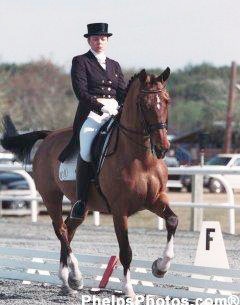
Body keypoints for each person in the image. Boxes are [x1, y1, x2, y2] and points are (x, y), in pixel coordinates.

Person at [69, 23, 126, 220]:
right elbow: (81, 92)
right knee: (85, 148)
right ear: (89, 41)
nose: (99, 42)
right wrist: (101, 106)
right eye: (95, 39)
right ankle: (81, 200)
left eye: (102, 39)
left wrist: (122, 106)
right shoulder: (80, 61)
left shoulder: (114, 65)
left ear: (107, 40)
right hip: (92, 112)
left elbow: (121, 91)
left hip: (114, 110)